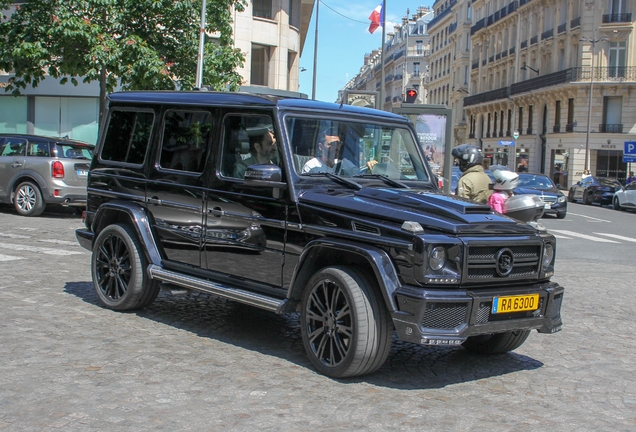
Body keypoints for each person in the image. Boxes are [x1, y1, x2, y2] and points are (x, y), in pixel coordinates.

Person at [302, 131, 376, 175]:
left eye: (338, 144)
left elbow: (359, 174)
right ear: (320, 147)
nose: (337, 147)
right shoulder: (311, 167)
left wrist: (369, 166)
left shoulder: (344, 163)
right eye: (332, 144)